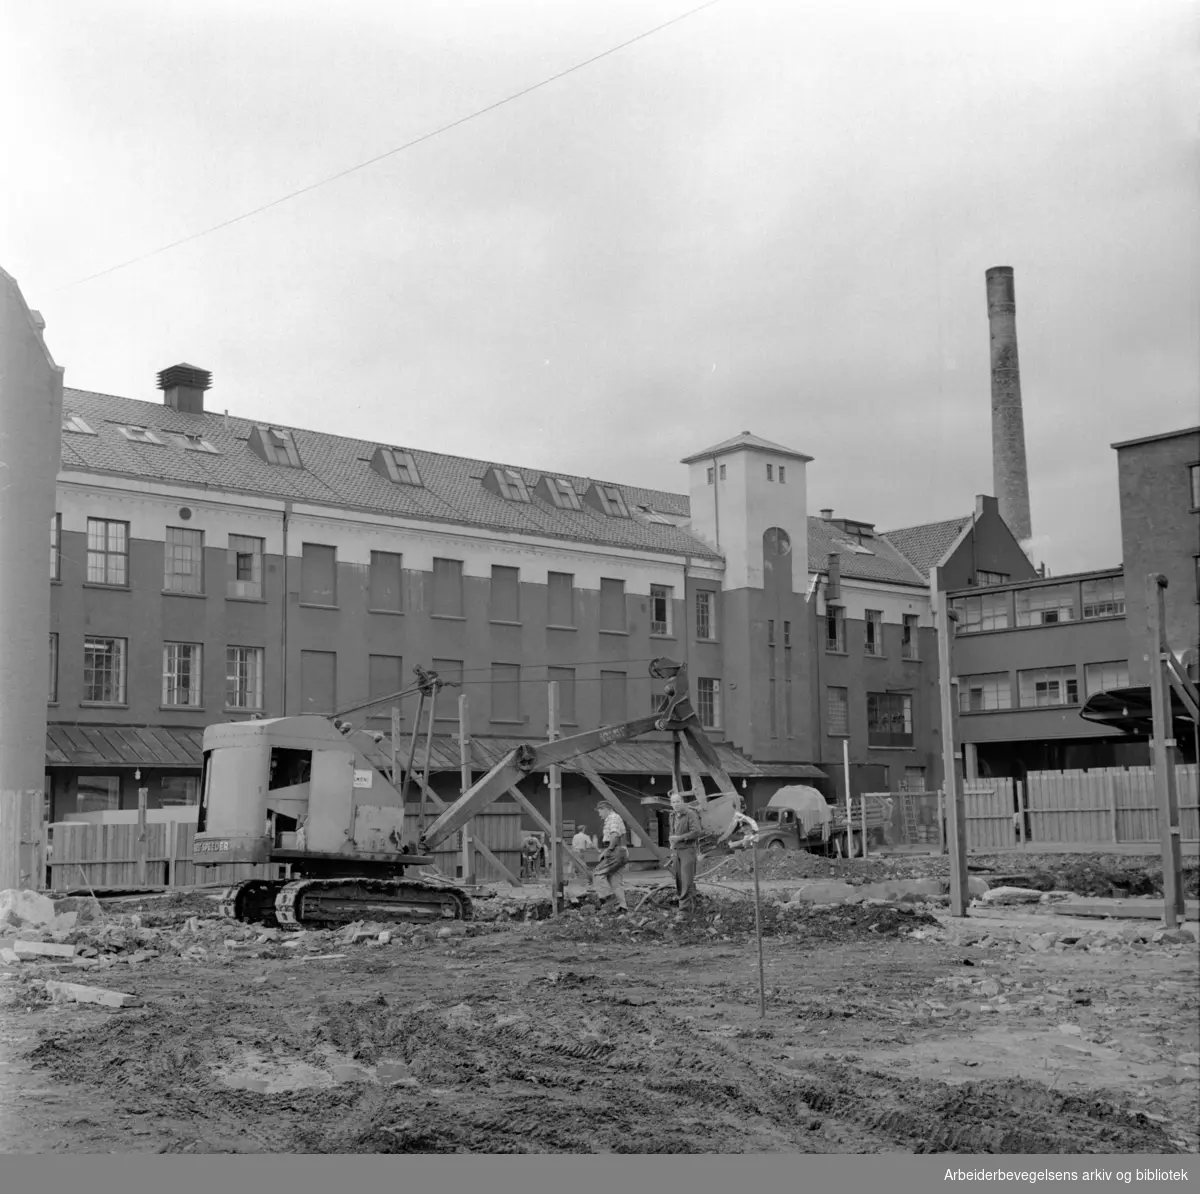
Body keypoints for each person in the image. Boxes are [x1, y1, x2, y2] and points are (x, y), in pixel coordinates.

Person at [667, 790, 703, 917]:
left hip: (688, 849)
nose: (675, 804)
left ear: (682, 802)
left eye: (678, 802)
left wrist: (680, 838)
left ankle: (684, 910)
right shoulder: (672, 816)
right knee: (678, 879)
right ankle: (694, 906)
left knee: (686, 880)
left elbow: (697, 831)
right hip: (676, 851)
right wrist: (672, 843)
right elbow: (672, 832)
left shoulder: (690, 814)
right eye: (673, 802)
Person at [593, 825, 629, 912]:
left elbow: (615, 835)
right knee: (615, 881)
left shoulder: (612, 818)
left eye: (600, 811)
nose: (599, 814)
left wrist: (608, 850)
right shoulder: (617, 819)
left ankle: (608, 898)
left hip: (615, 851)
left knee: (597, 873)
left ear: (606, 810)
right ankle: (622, 906)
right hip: (622, 851)